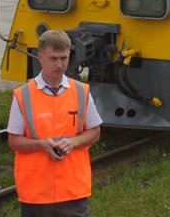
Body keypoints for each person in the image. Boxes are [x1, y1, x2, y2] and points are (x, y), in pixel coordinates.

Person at [7, 30, 102, 217]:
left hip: (72, 191)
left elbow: (94, 132)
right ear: (40, 57)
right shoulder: (23, 95)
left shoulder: (81, 92)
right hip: (36, 193)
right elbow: (14, 142)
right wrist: (40, 145)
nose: (59, 65)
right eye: (53, 59)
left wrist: (73, 142)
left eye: (64, 58)